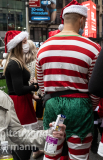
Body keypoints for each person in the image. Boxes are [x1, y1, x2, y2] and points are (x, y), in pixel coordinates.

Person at [37, 1, 101, 159]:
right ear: (81, 20)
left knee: (51, 152)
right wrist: (87, 106)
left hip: (52, 104)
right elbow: (95, 87)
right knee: (78, 155)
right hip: (80, 105)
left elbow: (41, 85)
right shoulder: (93, 48)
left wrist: (52, 99)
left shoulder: (43, 47)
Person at [3, 31, 43, 160]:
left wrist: (31, 94)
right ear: (18, 44)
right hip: (20, 104)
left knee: (25, 140)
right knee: (24, 140)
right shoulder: (14, 63)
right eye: (24, 42)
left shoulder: (17, 61)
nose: (27, 44)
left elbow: (20, 87)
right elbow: (18, 90)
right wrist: (35, 87)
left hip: (23, 101)